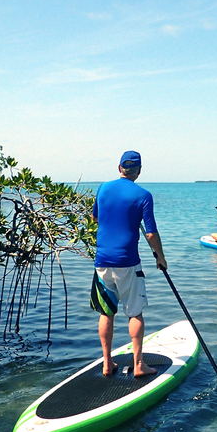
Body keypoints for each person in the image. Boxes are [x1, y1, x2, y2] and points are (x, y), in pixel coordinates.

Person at [90, 150, 168, 377]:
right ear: (140, 171)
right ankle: (139, 365)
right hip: (128, 262)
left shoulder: (103, 188)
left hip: (102, 261)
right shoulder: (143, 195)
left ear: (119, 168)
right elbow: (151, 234)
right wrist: (161, 258)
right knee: (134, 313)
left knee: (106, 312)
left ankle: (107, 363)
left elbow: (95, 217)